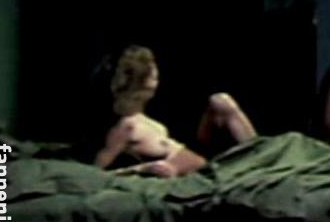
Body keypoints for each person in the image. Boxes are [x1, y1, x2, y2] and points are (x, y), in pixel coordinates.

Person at [90, 45, 257, 177]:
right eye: (153, 78)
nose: (157, 83)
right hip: (202, 174)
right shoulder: (126, 127)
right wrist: (141, 169)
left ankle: (259, 153)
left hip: (204, 156)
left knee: (220, 101)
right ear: (140, 84)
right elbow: (96, 175)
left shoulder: (142, 116)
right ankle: (259, 158)